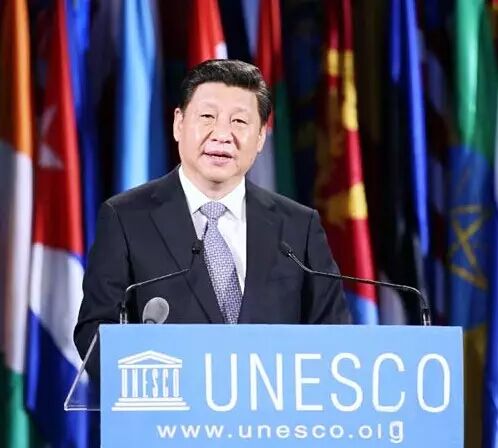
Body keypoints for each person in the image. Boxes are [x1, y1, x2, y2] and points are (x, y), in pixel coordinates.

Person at [74, 59, 351, 375]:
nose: (222, 134)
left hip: (274, 405)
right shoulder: (126, 218)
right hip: (171, 403)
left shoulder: (299, 227)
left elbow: (335, 337)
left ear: (261, 136)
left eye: (239, 121)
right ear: (179, 124)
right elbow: (95, 333)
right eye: (207, 117)